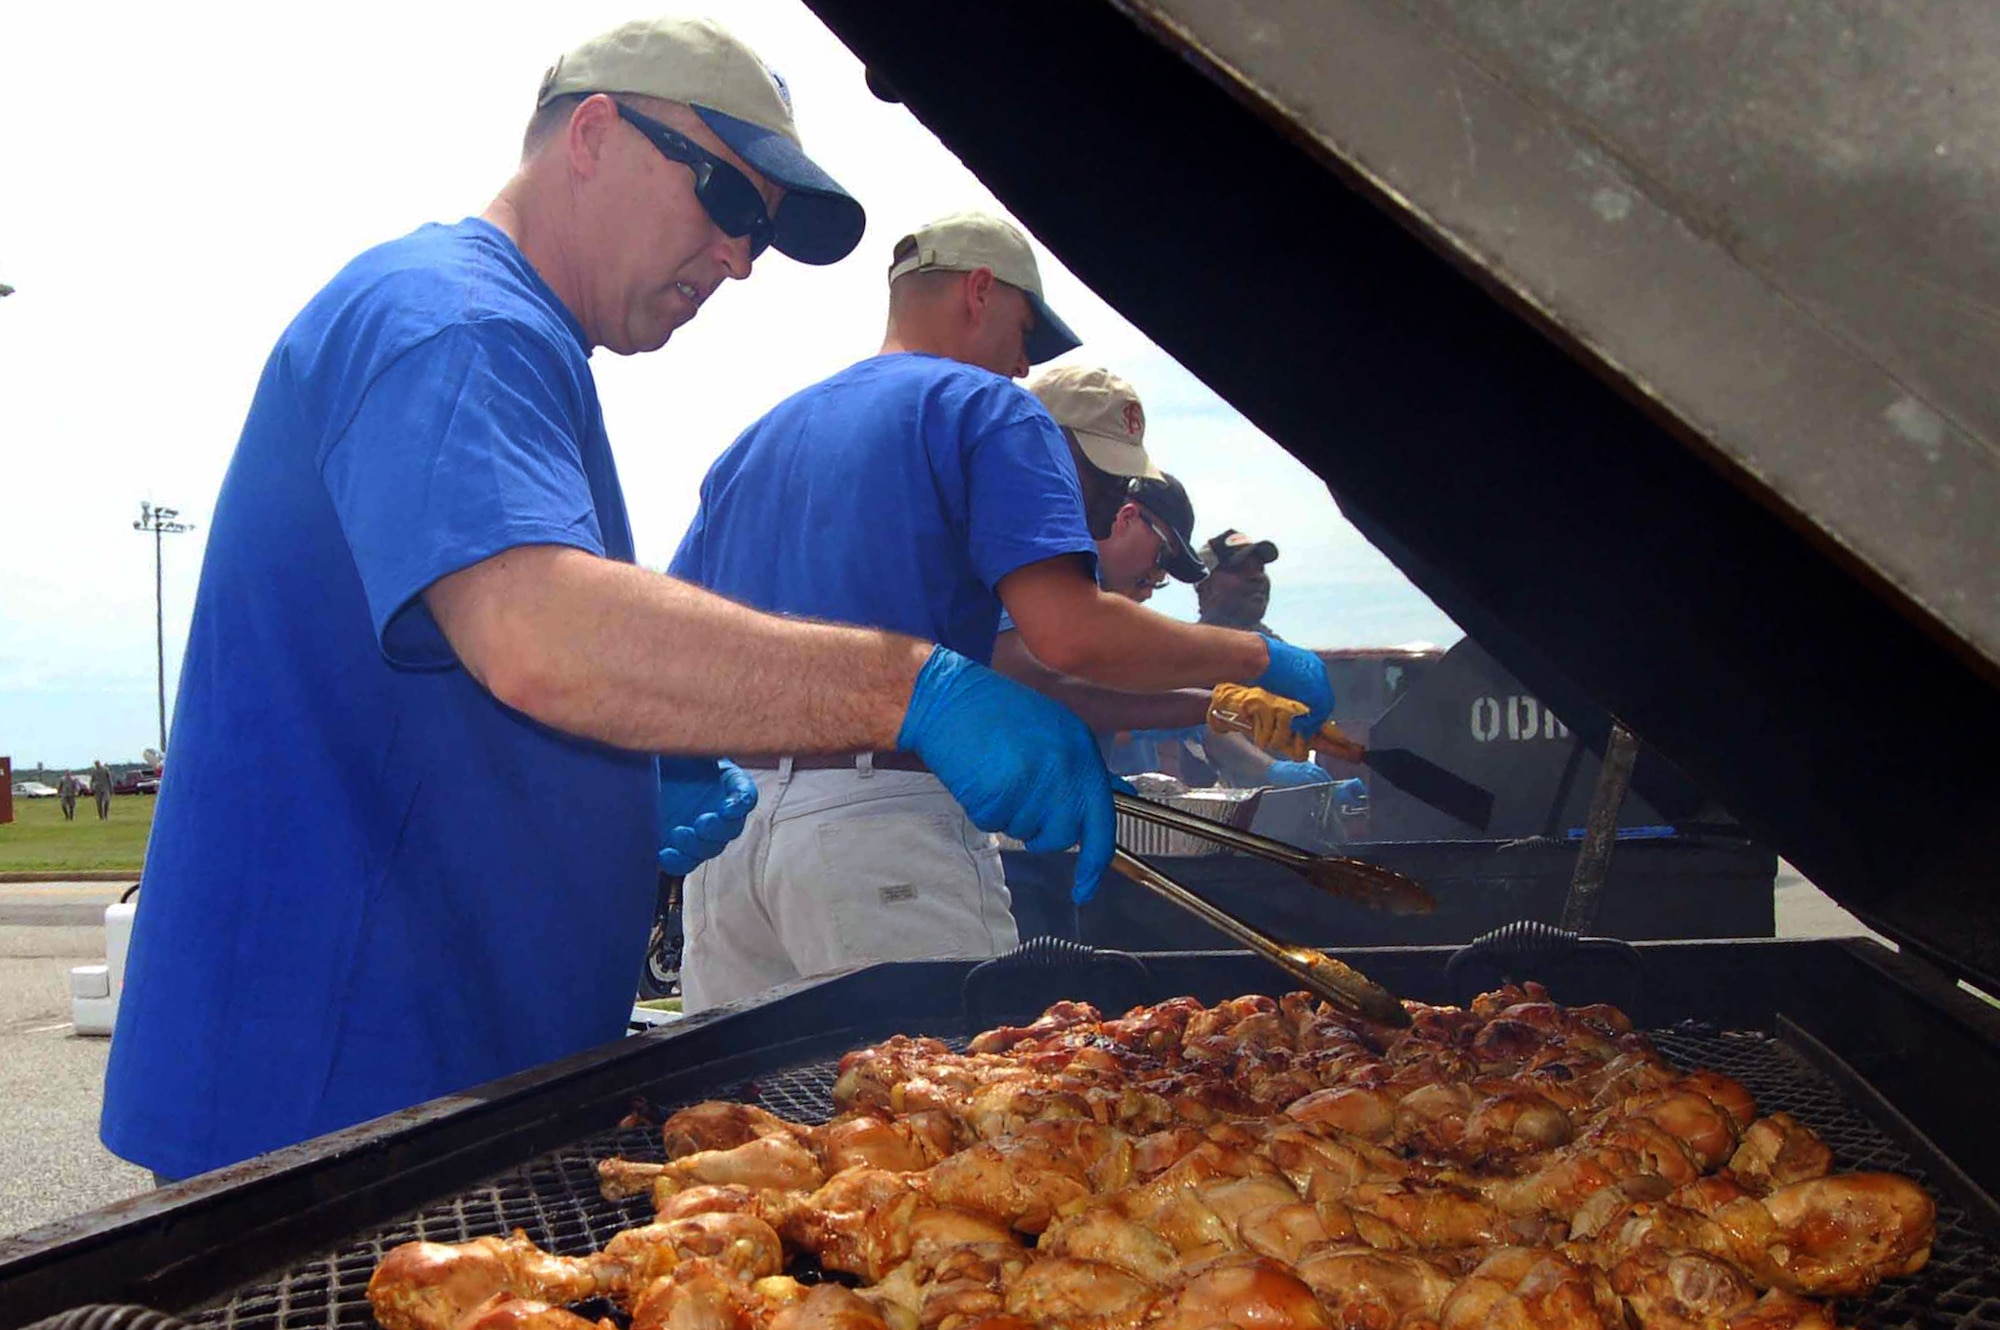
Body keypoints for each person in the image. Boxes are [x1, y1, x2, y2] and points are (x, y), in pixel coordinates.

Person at [101, 19, 1117, 1184]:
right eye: (728, 202)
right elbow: (541, 633)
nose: (740, 259)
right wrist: (913, 686)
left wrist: (632, 780)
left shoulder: (511, 343)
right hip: (343, 1081)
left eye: (761, 236)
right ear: (593, 132)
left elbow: (474, 670)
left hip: (440, 1063)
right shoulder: (453, 321)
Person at [669, 214, 1336, 1012]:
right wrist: (1253, 660)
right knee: (955, 1116)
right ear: (980, 292)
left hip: (729, 848)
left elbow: (679, 649)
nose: (1024, 365)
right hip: (881, 829)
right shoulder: (986, 405)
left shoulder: (758, 438)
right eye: (1024, 334)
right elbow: (1067, 632)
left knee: (759, 1121)